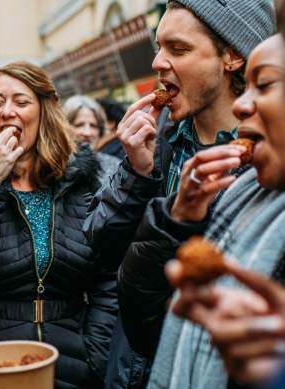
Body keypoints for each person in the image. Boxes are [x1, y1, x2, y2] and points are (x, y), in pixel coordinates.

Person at [0, 61, 163, 389]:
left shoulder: (80, 178)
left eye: (21, 102)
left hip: (71, 362)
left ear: (44, 111)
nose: (7, 111)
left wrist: (93, 354)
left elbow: (107, 271)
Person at [122, 34, 285, 389]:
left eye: (267, 84)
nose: (244, 105)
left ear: (229, 59)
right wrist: (176, 217)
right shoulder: (242, 195)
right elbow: (145, 328)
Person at [63, 95, 121, 179]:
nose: (87, 132)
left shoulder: (115, 167)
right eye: (79, 125)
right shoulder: (53, 169)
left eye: (93, 126)